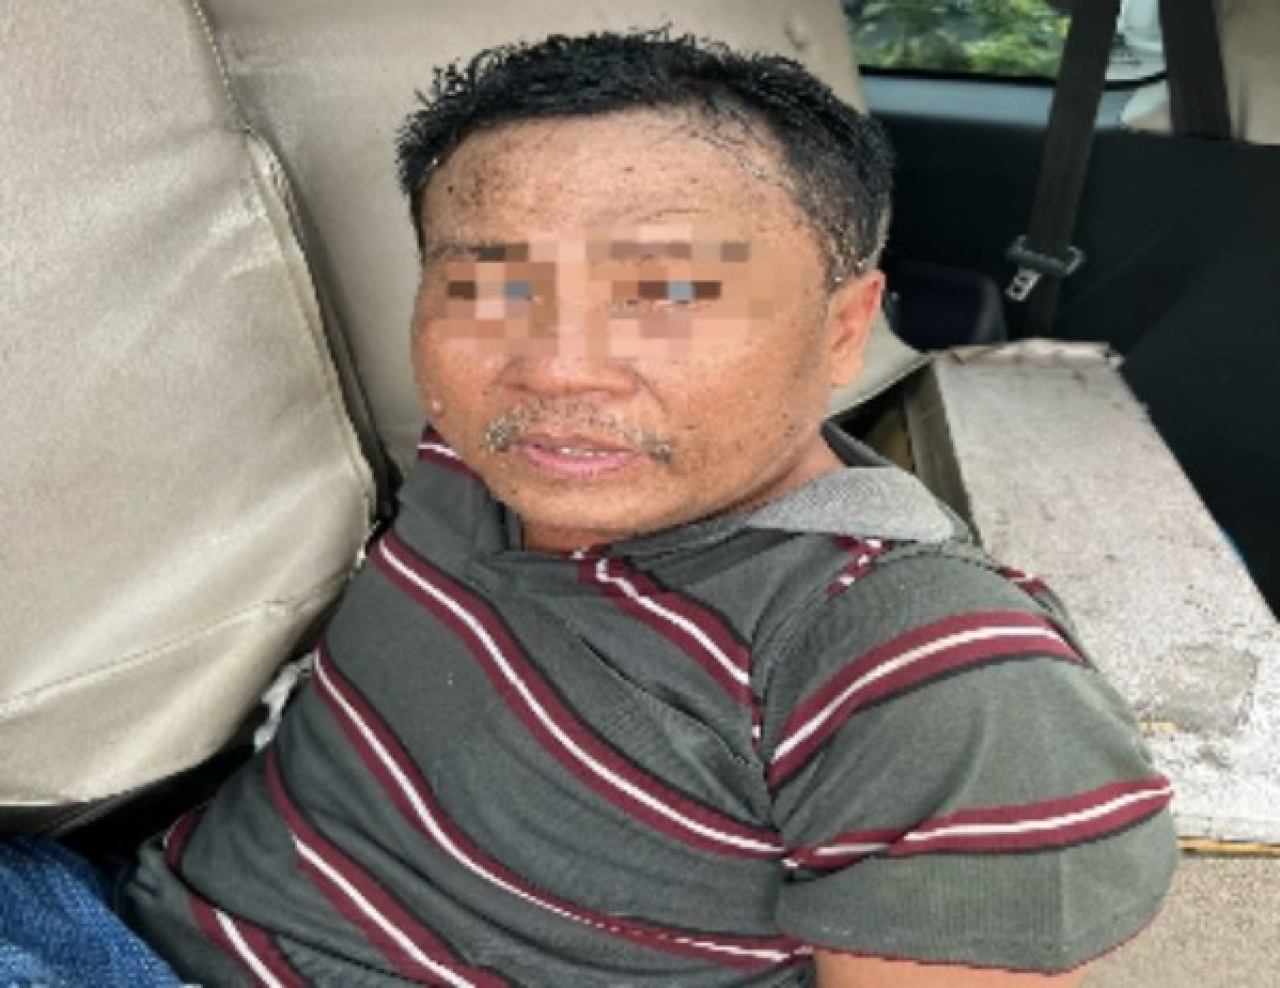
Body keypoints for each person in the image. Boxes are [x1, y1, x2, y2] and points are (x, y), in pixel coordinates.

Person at [112, 30, 1178, 986]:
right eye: (491, 289)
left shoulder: (923, 679)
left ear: (843, 329)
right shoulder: (476, 458)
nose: (555, 369)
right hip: (128, 899)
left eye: (669, 295)